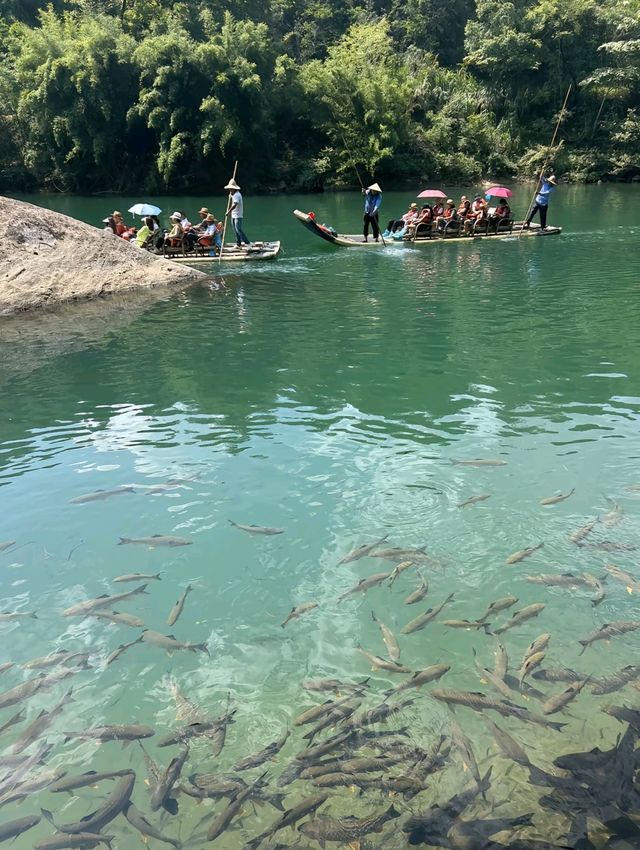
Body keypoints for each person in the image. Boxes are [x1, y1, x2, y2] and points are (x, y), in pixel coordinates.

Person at [225, 179, 250, 247]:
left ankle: (247, 243)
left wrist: (228, 212)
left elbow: (235, 204)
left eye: (231, 189)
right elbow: (232, 201)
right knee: (235, 230)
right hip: (234, 215)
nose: (230, 190)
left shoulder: (237, 195)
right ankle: (238, 243)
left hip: (238, 215)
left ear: (233, 188)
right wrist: (230, 198)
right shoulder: (234, 194)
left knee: (238, 229)